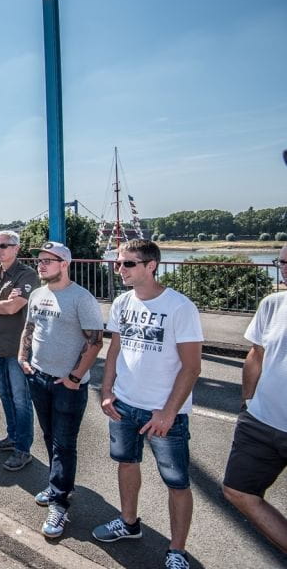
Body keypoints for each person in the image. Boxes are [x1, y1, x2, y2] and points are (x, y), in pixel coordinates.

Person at [92, 239, 203, 569]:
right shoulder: (123, 302)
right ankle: (128, 522)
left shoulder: (180, 307)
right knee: (126, 463)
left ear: (151, 266)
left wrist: (168, 412)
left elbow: (192, 366)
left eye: (128, 264)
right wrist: (106, 390)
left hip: (163, 413)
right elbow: (114, 350)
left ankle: (177, 550)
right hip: (124, 404)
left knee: (177, 482)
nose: (119, 269)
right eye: (118, 263)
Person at [18, 242, 104, 539]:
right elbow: (30, 328)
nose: (41, 265)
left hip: (67, 384)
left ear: (64, 264)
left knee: (64, 444)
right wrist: (22, 357)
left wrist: (75, 377)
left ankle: (59, 503)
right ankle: (60, 484)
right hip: (38, 377)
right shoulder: (38, 294)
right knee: (50, 437)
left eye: (48, 261)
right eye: (39, 260)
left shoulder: (82, 298)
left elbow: (95, 342)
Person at [221, 246, 287, 554]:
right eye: (281, 262)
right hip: (260, 420)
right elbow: (256, 354)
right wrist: (248, 401)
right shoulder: (273, 304)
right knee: (238, 491)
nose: (284, 268)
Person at [0, 230, 39, 471]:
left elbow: (14, 308)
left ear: (16, 248)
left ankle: (23, 449)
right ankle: (12, 436)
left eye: (4, 245)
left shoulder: (28, 274)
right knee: (5, 396)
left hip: (16, 347)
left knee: (21, 400)